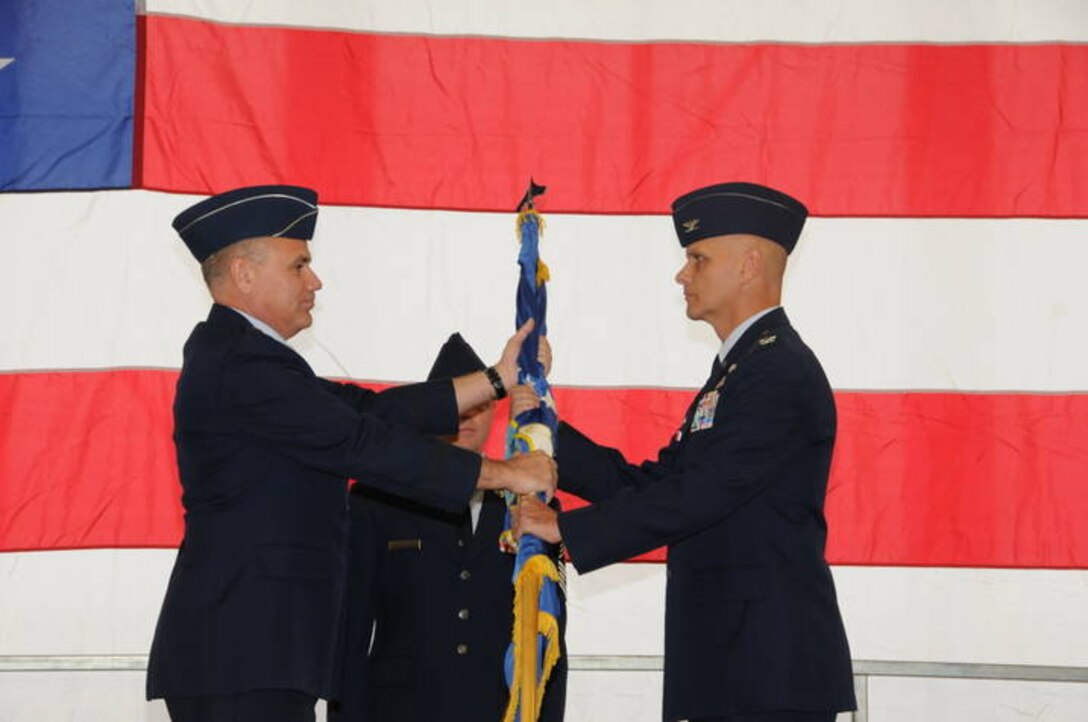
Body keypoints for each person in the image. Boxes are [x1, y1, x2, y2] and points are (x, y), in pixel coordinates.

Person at [145, 185, 556, 722]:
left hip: (254, 651)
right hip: (242, 651)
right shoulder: (242, 366)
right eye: (299, 266)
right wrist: (505, 473)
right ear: (245, 274)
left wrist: (496, 381)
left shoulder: (250, 360)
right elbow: (364, 444)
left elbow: (371, 413)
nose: (315, 282)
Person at [512, 182, 856, 722]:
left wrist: (567, 529)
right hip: (734, 658)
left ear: (747, 266)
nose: (682, 274)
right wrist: (548, 435)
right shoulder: (742, 368)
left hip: (766, 668)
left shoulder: (777, 371)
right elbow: (661, 482)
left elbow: (700, 494)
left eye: (697, 258)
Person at [332, 332, 566, 722]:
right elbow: (350, 630)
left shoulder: (530, 505)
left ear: (495, 412)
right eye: (460, 406)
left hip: (497, 707)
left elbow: (548, 629)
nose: (468, 418)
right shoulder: (378, 499)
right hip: (401, 709)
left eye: (480, 407)